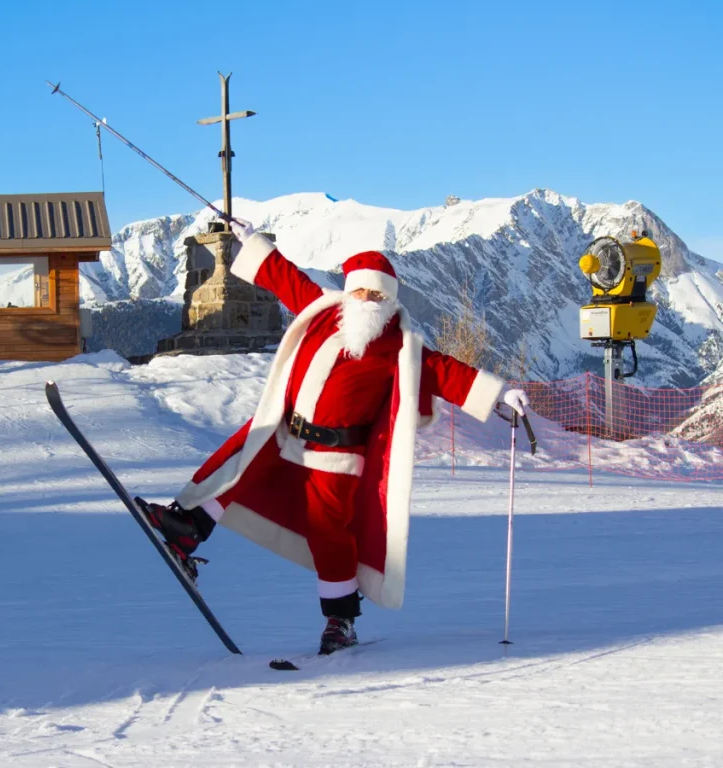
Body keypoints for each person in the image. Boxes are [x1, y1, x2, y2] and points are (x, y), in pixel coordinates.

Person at [137, 219, 530, 655]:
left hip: (338, 456)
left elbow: (448, 374)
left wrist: (498, 394)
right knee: (236, 469)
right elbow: (286, 279)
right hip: (284, 432)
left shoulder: (401, 348)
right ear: (350, 291)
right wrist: (253, 242)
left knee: (330, 536)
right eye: (361, 291)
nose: (367, 300)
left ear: (389, 300)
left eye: (377, 294)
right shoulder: (323, 312)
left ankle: (340, 621)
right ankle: (187, 529)